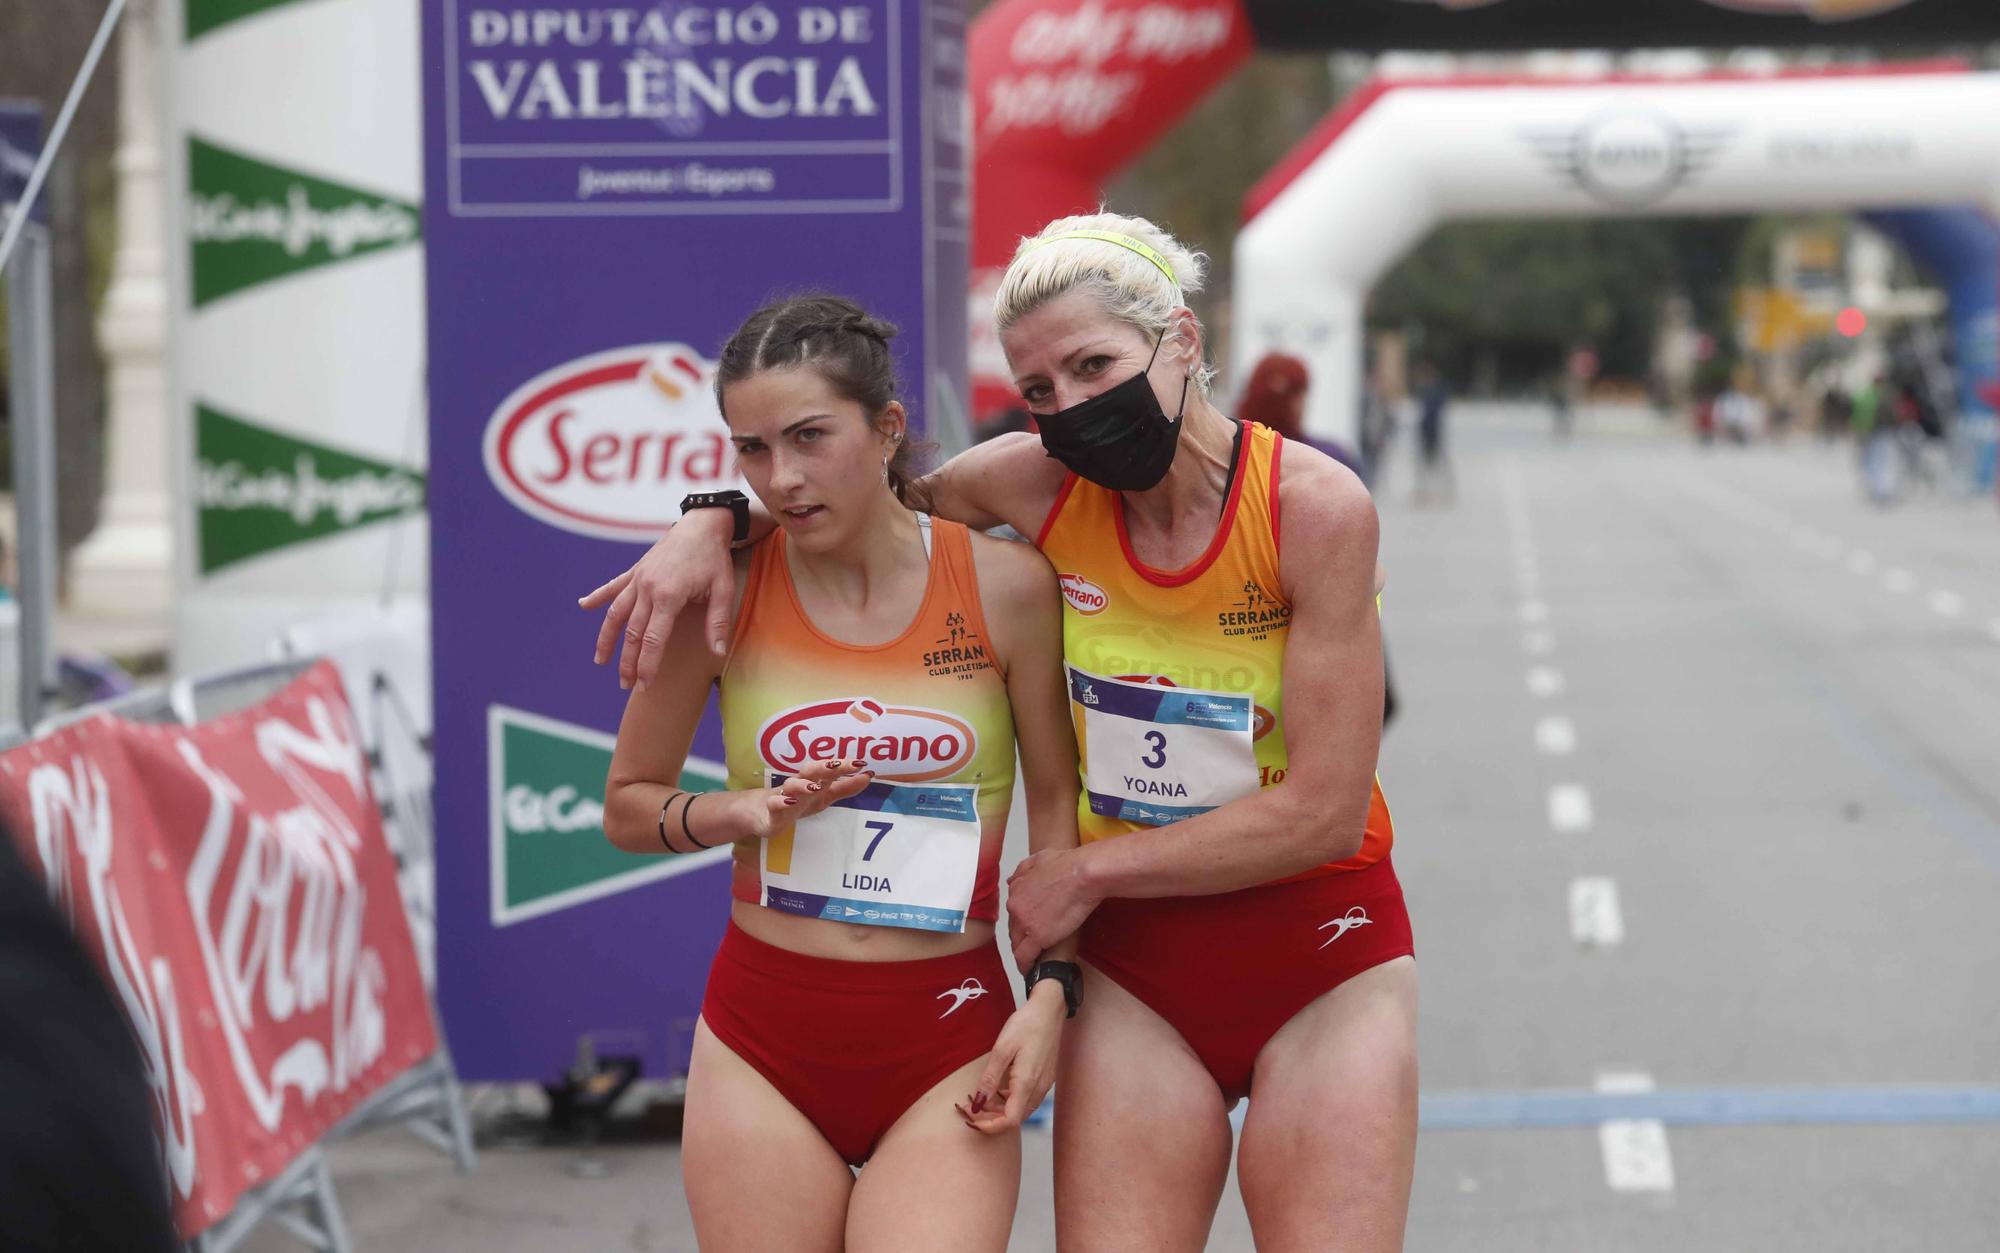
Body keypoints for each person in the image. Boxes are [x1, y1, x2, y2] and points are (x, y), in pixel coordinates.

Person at [586, 213, 1416, 1251]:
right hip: (1138, 965)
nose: (1067, 406)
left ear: (1183, 343)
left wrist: (1083, 878)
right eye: (1037, 389)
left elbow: (1325, 814)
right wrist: (706, 519)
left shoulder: (1312, 507)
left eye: (1092, 365)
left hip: (1313, 943)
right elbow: (851, 511)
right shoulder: (1024, 482)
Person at [600, 295, 1081, 1252]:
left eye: (810, 437)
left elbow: (1061, 814)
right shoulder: (721, 589)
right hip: (763, 1039)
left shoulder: (1007, 587)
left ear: (887, 428)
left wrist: (1053, 994)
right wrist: (744, 809)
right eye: (751, 449)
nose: (782, 477)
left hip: (947, 1033)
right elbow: (627, 805)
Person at [1411, 359, 1453, 506]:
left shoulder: (1436, 391)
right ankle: (1425, 491)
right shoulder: (1425, 390)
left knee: (1438, 462)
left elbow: (1437, 409)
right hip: (1425, 430)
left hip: (1433, 430)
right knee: (1424, 462)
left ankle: (1441, 490)